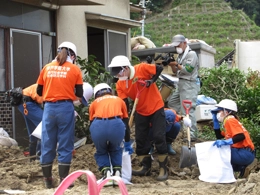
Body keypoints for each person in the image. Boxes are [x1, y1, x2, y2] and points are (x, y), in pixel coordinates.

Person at [108, 55, 168, 181]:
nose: (118, 76)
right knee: (140, 138)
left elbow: (158, 69)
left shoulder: (141, 68)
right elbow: (124, 103)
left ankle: (163, 168)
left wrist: (151, 81)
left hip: (156, 106)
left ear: (125, 68)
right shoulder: (120, 84)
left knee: (158, 136)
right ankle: (145, 167)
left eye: (119, 73)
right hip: (140, 110)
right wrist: (125, 119)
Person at [36, 41, 83, 189]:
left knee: (47, 142)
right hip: (66, 108)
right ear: (73, 55)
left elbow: (38, 92)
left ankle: (48, 180)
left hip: (49, 108)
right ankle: (64, 179)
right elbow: (80, 94)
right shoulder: (74, 70)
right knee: (65, 143)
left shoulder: (47, 68)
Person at [89, 83, 132, 181]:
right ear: (110, 91)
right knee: (116, 149)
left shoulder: (94, 103)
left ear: (96, 94)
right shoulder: (119, 100)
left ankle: (107, 174)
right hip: (116, 124)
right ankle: (117, 173)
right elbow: (126, 123)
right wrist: (127, 141)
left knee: (101, 151)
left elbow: (91, 123)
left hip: (98, 125)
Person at [211, 99, 257, 178]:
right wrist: (215, 121)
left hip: (244, 153)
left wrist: (225, 142)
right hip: (246, 153)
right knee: (225, 151)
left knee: (219, 152)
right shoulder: (230, 121)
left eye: (219, 111)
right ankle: (241, 168)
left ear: (226, 111)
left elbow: (240, 136)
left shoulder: (230, 120)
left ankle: (226, 175)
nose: (218, 114)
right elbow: (219, 136)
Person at [167, 34, 200, 141]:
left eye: (178, 45)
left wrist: (176, 64)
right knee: (172, 103)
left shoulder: (191, 54)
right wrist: (172, 65)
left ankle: (192, 134)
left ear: (184, 43)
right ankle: (178, 127)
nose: (177, 48)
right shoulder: (180, 56)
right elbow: (175, 71)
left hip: (189, 84)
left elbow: (188, 70)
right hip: (181, 84)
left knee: (188, 109)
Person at [5, 84, 43, 160]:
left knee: (34, 132)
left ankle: (33, 158)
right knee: (45, 125)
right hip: (28, 104)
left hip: (25, 104)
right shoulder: (51, 87)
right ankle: (39, 156)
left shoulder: (46, 83)